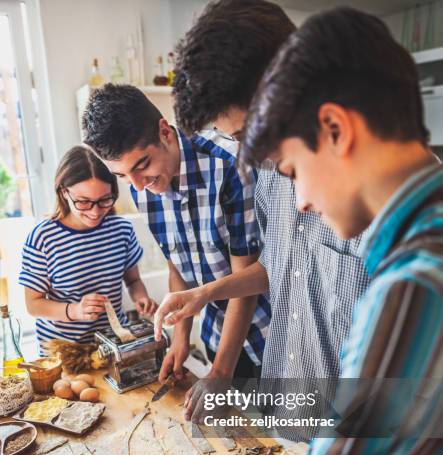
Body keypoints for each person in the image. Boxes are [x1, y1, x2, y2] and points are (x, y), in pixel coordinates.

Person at [143, 9, 443, 455]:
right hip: (309, 419)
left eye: (291, 164)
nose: (300, 197)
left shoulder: (413, 278)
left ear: (330, 124)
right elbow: (283, 270)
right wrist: (205, 299)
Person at [155, 0, 370, 421]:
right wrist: (206, 293)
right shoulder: (269, 172)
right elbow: (279, 265)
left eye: (247, 132)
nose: (249, 153)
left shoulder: (398, 198)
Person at [82, 84, 270, 389]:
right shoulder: (142, 187)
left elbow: (246, 281)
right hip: (216, 334)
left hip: (267, 336)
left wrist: (221, 373)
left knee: (287, 430)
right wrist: (180, 340)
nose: (138, 185)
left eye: (142, 165)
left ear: (165, 133)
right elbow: (177, 264)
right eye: (122, 176)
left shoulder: (228, 167)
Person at [19, 145, 157, 353]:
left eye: (104, 200)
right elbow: (33, 305)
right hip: (64, 352)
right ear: (64, 192)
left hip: (113, 344)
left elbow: (133, 280)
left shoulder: (122, 230)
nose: (95, 212)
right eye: (83, 202)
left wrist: (141, 298)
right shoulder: (43, 238)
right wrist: (74, 310)